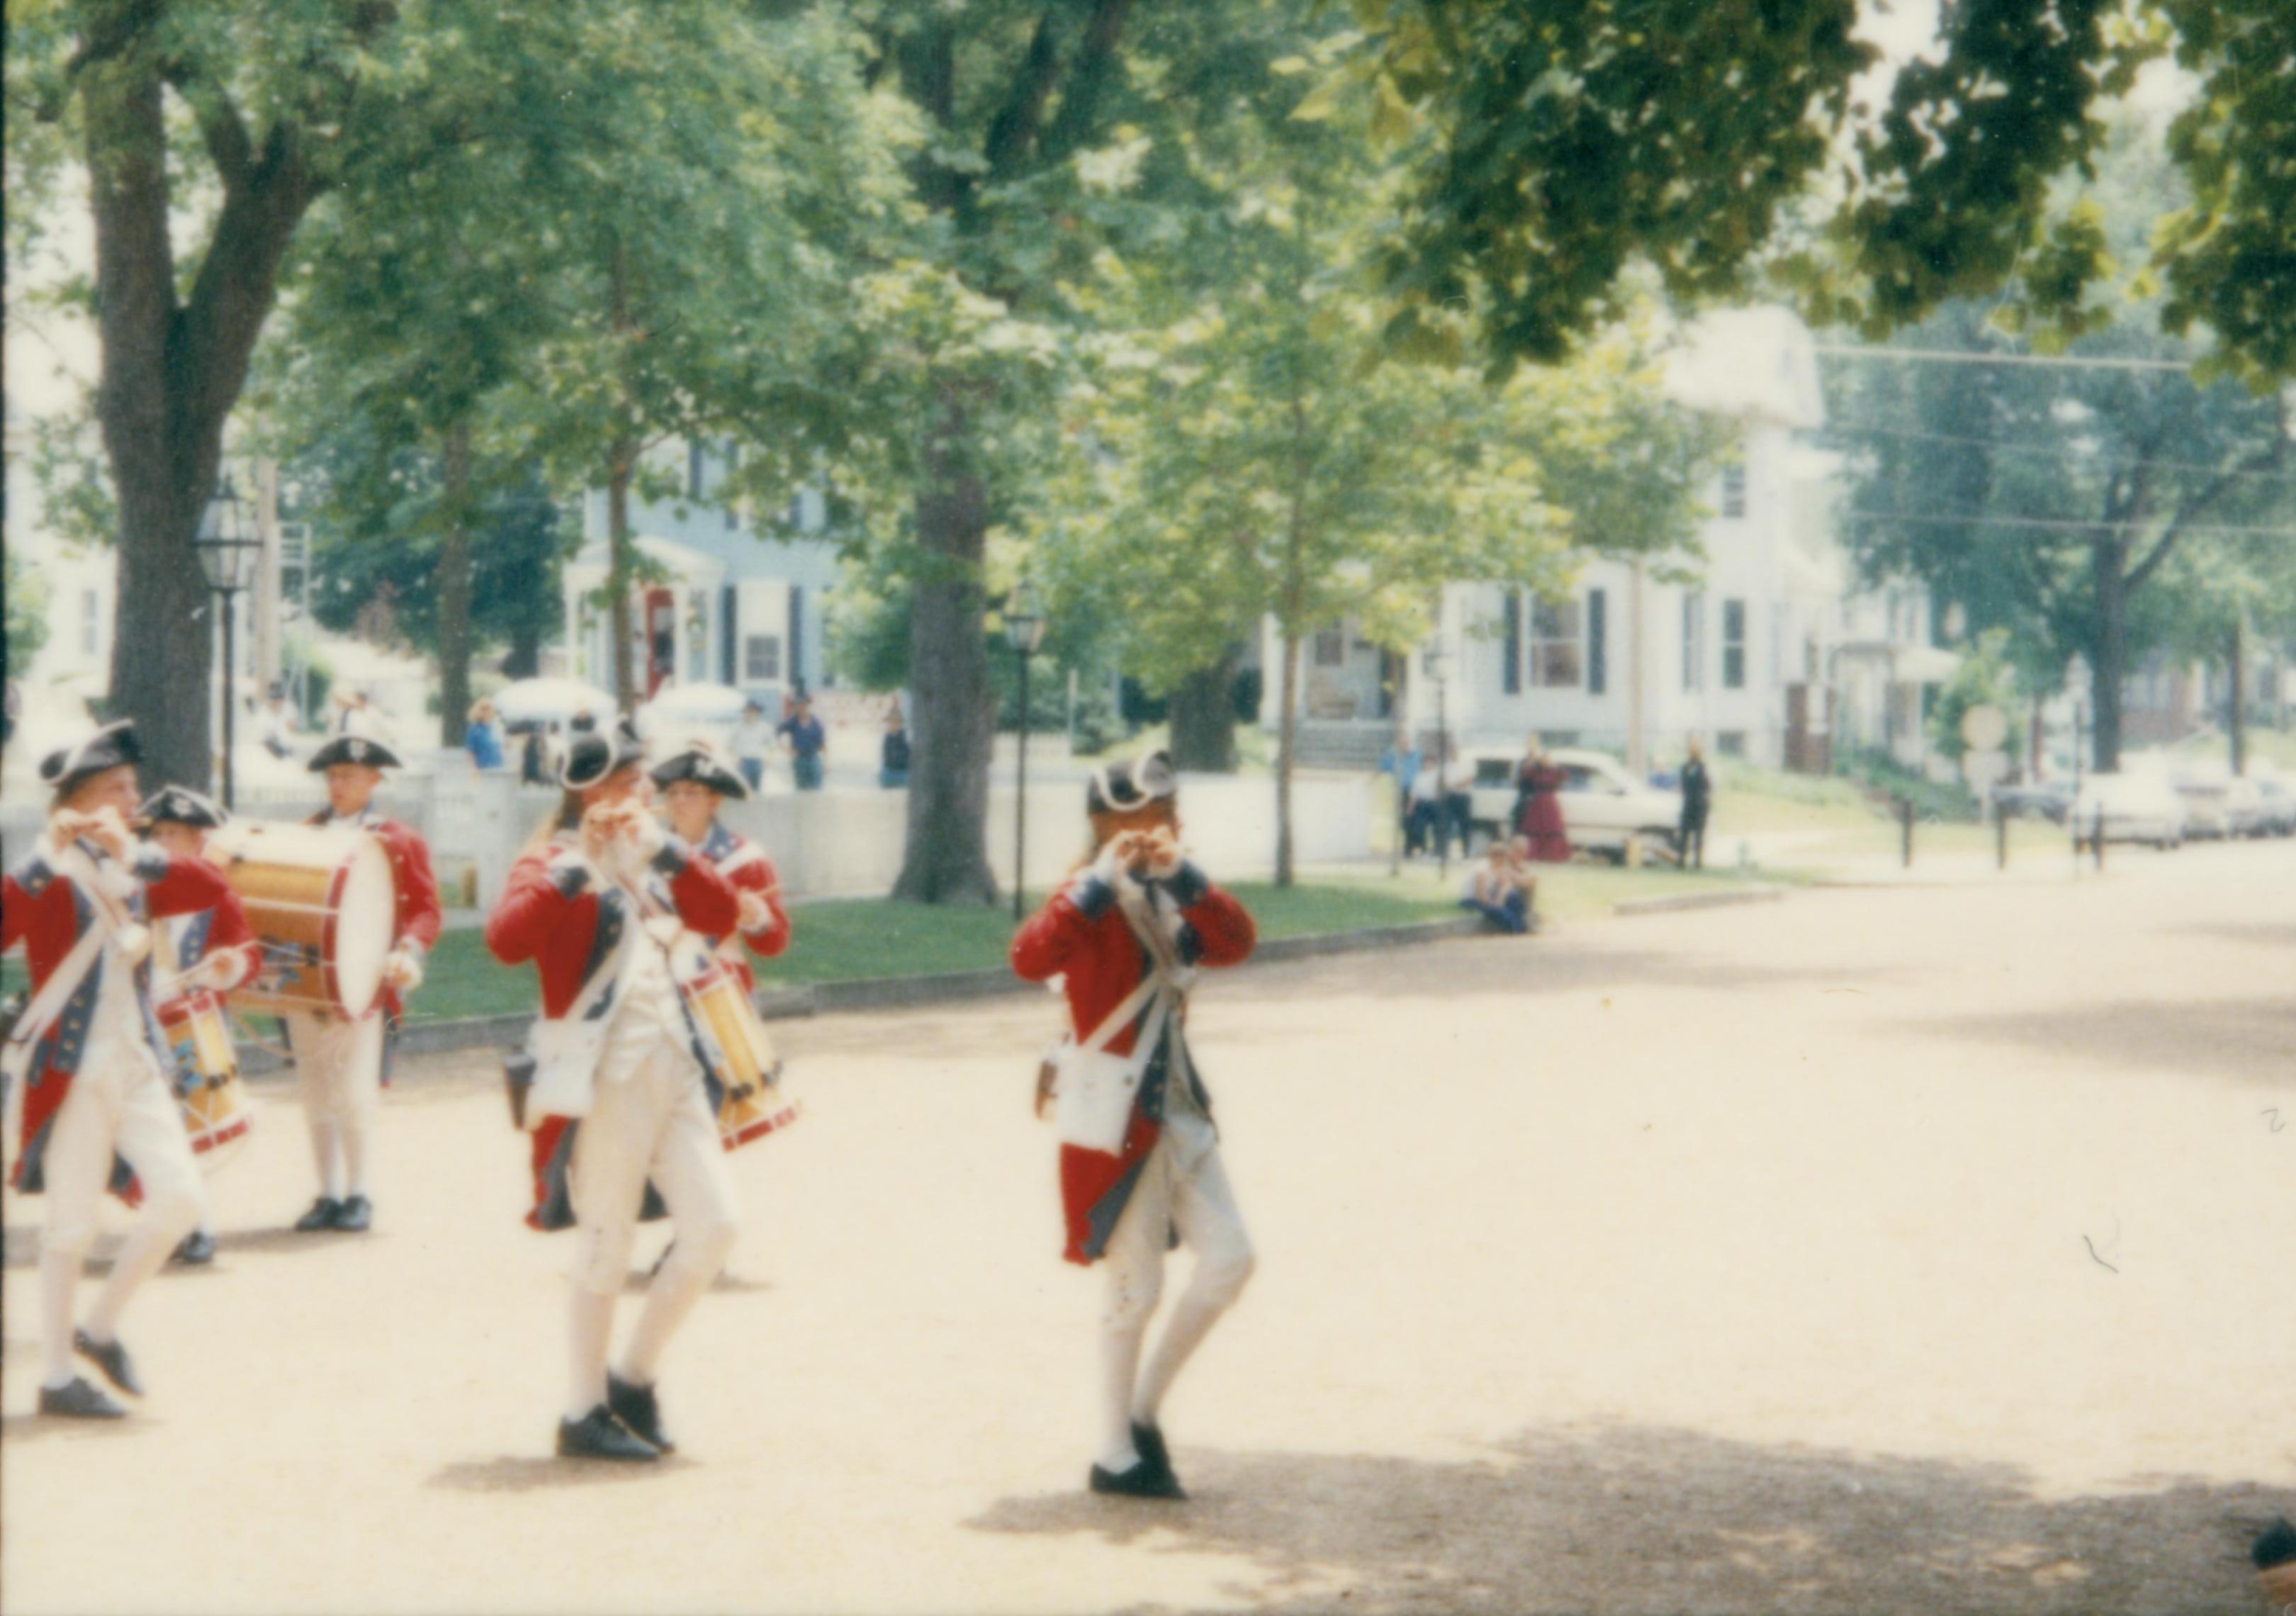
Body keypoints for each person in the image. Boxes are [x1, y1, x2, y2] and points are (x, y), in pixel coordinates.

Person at [484, 716, 749, 1461]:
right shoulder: (551, 859)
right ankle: (582, 1411)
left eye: (644, 781)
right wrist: (581, 865)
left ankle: (631, 1377)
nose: (646, 793)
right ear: (587, 790)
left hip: (673, 1060)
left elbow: (722, 914)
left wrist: (663, 848)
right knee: (607, 1242)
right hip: (602, 1074)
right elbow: (506, 941)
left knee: (716, 1226)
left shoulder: (652, 851)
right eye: (629, 782)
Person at [1011, 750, 1258, 1500]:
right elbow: (1029, 957)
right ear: (1105, 829)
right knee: (1135, 1287)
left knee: (1230, 1260)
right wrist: (1096, 882)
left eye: (1163, 818)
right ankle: (1113, 1450)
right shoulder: (1084, 899)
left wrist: (1183, 873)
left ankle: (1143, 1411)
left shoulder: (1178, 889)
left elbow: (1237, 943)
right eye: (1138, 822)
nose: (1157, 830)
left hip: (1174, 1103)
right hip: (1115, 1110)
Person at [1, 722, 244, 1418]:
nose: (135, 798)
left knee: (181, 1200)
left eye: (132, 788)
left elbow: (208, 887)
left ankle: (98, 1329)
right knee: (70, 1227)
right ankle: (54, 1378)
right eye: (118, 789)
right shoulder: (49, 868)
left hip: (136, 1059)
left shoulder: (133, 863)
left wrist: (135, 852)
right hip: (73, 1070)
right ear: (78, 798)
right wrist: (45, 856)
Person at [286, 734, 441, 1234]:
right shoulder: (303, 834)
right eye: (333, 776)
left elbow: (424, 909)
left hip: (363, 980)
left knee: (353, 1088)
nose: (339, 785)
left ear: (374, 781)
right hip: (308, 977)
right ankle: (326, 1192)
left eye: (351, 776)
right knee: (314, 1085)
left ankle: (359, 1191)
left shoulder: (398, 839)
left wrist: (407, 950)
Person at [139, 787, 264, 1266]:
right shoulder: (139, 888)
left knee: (191, 1123)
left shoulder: (215, 893)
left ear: (198, 841)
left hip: (196, 1024)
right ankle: (171, 1223)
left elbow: (247, 951)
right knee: (155, 1126)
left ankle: (199, 1227)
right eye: (159, 833)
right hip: (145, 1021)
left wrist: (228, 965)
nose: (165, 843)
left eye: (176, 834)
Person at [651, 739, 792, 989]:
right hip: (659, 989)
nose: (679, 800)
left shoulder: (746, 858)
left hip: (722, 989)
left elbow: (775, 943)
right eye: (672, 792)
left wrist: (757, 919)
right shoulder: (647, 853)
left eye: (692, 791)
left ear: (714, 801)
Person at [1459, 838, 1534, 934]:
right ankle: (1517, 927)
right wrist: (1495, 904)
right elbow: (1481, 896)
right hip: (1472, 899)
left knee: (1513, 898)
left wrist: (1500, 899)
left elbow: (1505, 885)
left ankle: (1521, 924)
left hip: (1489, 895)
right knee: (1499, 911)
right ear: (1495, 857)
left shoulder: (1498, 867)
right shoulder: (1482, 869)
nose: (1504, 862)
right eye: (1502, 858)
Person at [1516, 744, 1571, 863]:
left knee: (1553, 827)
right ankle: (1534, 855)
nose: (1546, 760)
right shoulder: (1536, 771)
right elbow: (1525, 774)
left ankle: (1552, 855)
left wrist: (1554, 766)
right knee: (1534, 827)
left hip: (1550, 801)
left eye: (1548, 758)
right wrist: (1534, 761)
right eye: (1544, 758)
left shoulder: (1555, 771)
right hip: (1538, 800)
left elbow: (1565, 775)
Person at [1379, 735, 1424, 858]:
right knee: (1405, 820)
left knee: (1416, 820)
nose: (1405, 746)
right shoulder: (1392, 757)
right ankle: (1409, 847)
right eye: (1402, 744)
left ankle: (1413, 846)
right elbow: (1381, 768)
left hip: (1417, 790)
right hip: (1401, 790)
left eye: (1407, 743)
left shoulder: (1417, 756)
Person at [778, 693, 826, 792]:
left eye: (804, 705)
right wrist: (787, 750)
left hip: (814, 758)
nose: (801, 708)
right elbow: (777, 733)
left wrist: (825, 762)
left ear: (808, 706)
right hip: (799, 759)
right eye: (798, 705)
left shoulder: (816, 722)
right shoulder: (792, 722)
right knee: (801, 788)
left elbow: (822, 743)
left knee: (817, 787)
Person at [1677, 736, 1712, 871]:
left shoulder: (1703, 767)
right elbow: (1684, 785)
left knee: (1699, 835)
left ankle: (1697, 862)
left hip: (1700, 805)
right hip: (1688, 804)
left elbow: (1708, 786)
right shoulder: (1685, 768)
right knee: (1684, 834)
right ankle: (1681, 861)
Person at [732, 701, 772, 793]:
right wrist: (735, 758)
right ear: (745, 712)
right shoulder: (737, 728)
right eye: (748, 711)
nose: (751, 714)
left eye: (753, 711)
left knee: (757, 789)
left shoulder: (764, 728)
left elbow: (772, 746)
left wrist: (768, 759)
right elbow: (728, 746)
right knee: (744, 788)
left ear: (758, 713)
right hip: (743, 762)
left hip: (758, 761)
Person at [464, 699, 506, 771]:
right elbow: (470, 752)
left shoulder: (495, 728)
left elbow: (502, 746)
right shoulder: (474, 729)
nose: (486, 712)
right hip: (482, 769)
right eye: (483, 709)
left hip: (498, 768)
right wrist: (472, 770)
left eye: (489, 709)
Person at [258, 682, 296, 760]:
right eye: (274, 699)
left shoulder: (289, 707)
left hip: (285, 746)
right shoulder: (264, 709)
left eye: (279, 699)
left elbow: (292, 727)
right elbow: (259, 728)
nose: (277, 702)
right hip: (267, 746)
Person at [879, 703, 911, 790]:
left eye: (896, 721)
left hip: (903, 771)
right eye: (891, 721)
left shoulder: (904, 736)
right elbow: (886, 755)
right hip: (890, 770)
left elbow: (908, 755)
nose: (893, 724)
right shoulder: (888, 737)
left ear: (900, 723)